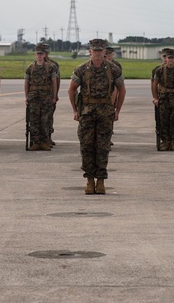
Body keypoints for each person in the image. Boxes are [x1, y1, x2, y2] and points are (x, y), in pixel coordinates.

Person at [69, 38, 126, 195]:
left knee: (103, 147)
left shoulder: (113, 69)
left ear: (105, 52)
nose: (98, 54)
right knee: (87, 146)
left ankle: (100, 181)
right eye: (95, 51)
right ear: (90, 51)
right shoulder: (81, 69)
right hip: (87, 113)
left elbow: (122, 89)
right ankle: (89, 180)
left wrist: (117, 110)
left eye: (101, 51)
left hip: (105, 113)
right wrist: (75, 110)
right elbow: (71, 89)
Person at [25, 43, 59, 150]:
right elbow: (26, 83)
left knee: (45, 120)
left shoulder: (51, 67)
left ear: (45, 55)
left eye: (41, 54)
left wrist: (54, 96)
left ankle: (45, 141)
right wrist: (26, 97)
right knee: (34, 120)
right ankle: (36, 142)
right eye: (37, 54)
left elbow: (54, 82)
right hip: (34, 97)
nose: (39, 55)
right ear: (35, 55)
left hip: (46, 97)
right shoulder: (30, 67)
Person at [152, 47, 174, 151]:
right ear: (165, 58)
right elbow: (155, 85)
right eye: (169, 57)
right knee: (163, 121)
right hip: (163, 99)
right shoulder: (159, 70)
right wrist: (155, 98)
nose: (170, 60)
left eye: (172, 58)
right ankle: (165, 142)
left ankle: (173, 141)